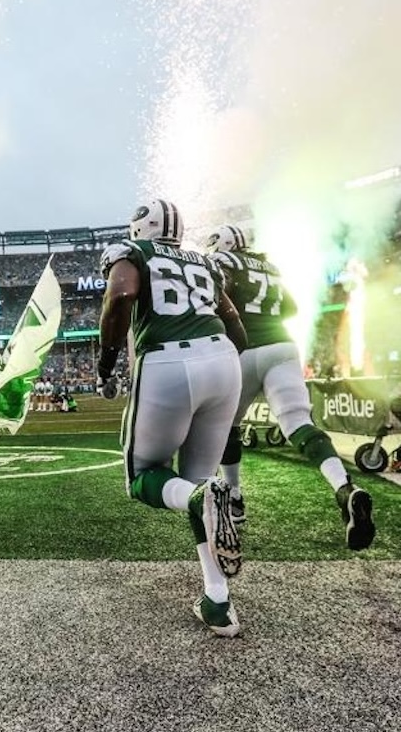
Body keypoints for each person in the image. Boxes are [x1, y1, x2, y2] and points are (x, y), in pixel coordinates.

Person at [97, 199, 248, 638]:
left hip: (167, 362)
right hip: (223, 359)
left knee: (144, 476)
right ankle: (217, 600)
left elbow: (122, 292)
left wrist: (106, 362)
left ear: (140, 227)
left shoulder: (135, 252)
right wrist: (222, 364)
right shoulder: (203, 259)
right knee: (199, 479)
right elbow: (233, 319)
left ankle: (203, 502)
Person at [205, 224, 375, 551]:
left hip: (244, 348)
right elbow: (292, 309)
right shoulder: (269, 267)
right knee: (299, 424)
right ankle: (344, 488)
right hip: (283, 347)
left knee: (226, 427)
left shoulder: (223, 264)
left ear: (221, 246)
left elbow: (217, 305)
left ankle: (235, 497)